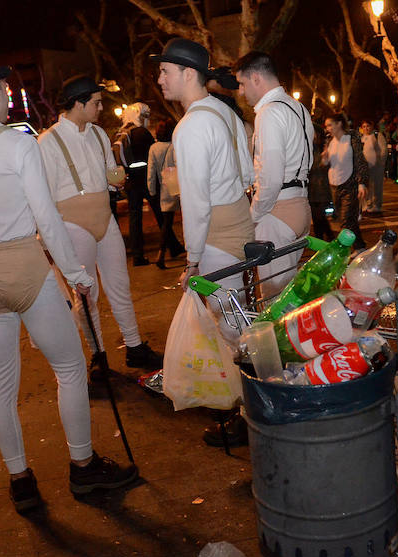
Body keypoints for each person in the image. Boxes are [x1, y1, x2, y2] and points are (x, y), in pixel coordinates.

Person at [0, 53, 136, 513]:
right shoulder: (16, 143)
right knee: (71, 368)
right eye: (5, 90)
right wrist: (76, 275)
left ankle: (20, 480)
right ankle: (83, 468)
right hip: (24, 263)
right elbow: (48, 221)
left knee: (1, 383)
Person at [152, 38, 255, 448]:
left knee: (236, 331)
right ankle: (250, 408)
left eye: (165, 71)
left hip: (215, 236)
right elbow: (247, 173)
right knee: (239, 322)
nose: (159, 79)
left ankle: (252, 414)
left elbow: (194, 204)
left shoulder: (192, 124)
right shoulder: (223, 111)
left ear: (188, 74)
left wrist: (192, 261)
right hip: (238, 224)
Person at [38, 75, 163, 377]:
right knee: (86, 293)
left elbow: (109, 172)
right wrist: (46, 237)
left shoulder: (98, 134)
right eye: (96, 102)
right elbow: (42, 194)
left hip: (104, 216)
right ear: (79, 103)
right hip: (72, 223)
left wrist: (115, 179)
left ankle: (134, 347)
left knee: (120, 285)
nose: (101, 108)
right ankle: (98, 356)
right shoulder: (47, 141)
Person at [232, 50, 313, 298]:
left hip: (278, 211)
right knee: (290, 296)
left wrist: (253, 215)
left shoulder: (269, 112)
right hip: (300, 206)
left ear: (256, 77)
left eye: (242, 84)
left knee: (274, 300)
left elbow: (271, 176)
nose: (241, 92)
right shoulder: (298, 108)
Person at [114, 102, 174, 266]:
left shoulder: (121, 133)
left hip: (131, 182)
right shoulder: (142, 132)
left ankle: (137, 256)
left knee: (135, 218)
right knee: (163, 213)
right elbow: (152, 156)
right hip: (146, 180)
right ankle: (173, 246)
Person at [322, 113, 369, 249]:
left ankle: (344, 249)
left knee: (346, 220)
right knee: (349, 221)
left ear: (339, 124)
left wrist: (361, 183)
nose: (328, 129)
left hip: (350, 184)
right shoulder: (330, 142)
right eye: (326, 126)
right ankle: (360, 247)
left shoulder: (351, 139)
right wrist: (325, 159)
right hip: (334, 185)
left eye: (330, 125)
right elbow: (329, 163)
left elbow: (360, 161)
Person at [146, 118, 182, 269]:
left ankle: (161, 254)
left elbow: (151, 170)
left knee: (166, 222)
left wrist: (151, 189)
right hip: (179, 184)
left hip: (165, 186)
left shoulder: (154, 148)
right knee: (187, 218)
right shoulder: (176, 145)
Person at [359, 119, 386, 214]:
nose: (366, 128)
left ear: (372, 126)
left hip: (376, 166)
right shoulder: (361, 138)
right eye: (364, 126)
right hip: (365, 167)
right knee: (367, 187)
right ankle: (368, 204)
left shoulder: (377, 135)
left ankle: (377, 205)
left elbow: (383, 150)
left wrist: (381, 163)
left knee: (377, 186)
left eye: (368, 126)